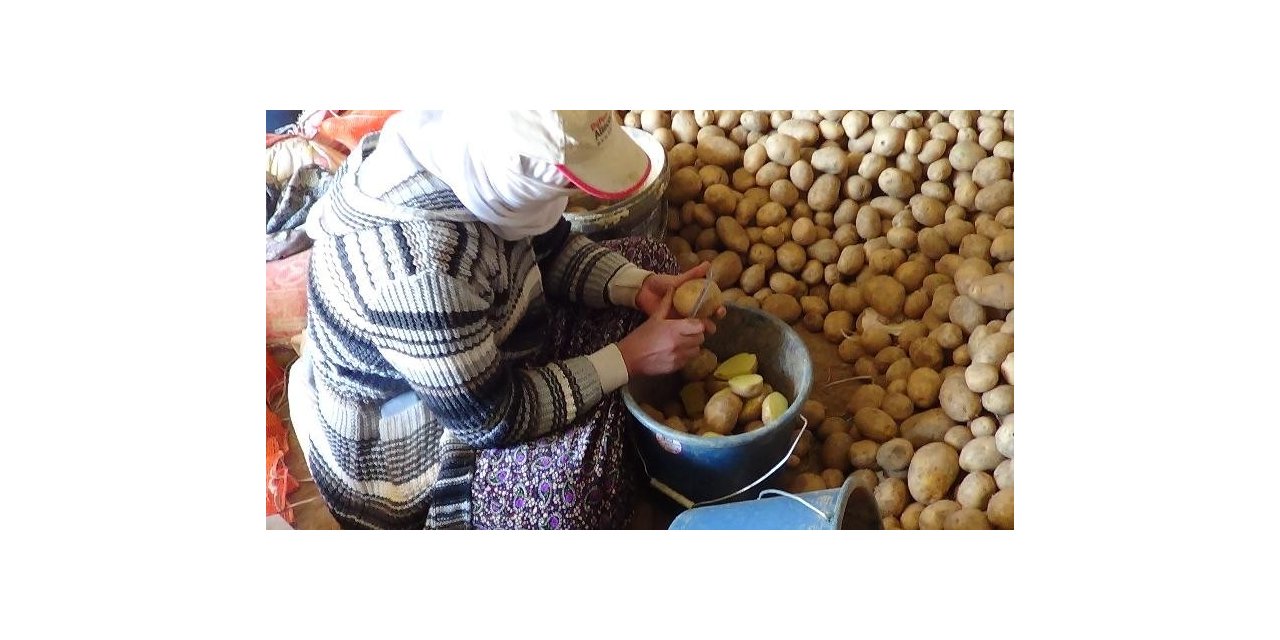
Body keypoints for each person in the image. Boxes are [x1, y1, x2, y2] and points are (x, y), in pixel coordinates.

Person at [287, 110, 726, 529]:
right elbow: (491, 417)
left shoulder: (470, 155)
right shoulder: (419, 272)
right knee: (575, 495)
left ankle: (614, 399)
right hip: (432, 442)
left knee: (650, 259)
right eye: (565, 187)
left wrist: (638, 287)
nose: (575, 199)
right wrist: (628, 360)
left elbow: (547, 246)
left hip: (479, 343)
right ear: (518, 176)